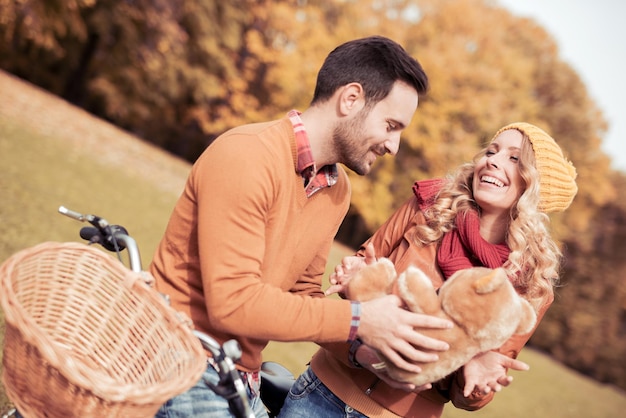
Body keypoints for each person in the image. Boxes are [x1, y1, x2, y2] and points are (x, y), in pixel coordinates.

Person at [150, 36, 454, 418]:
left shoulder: (336, 189)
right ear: (351, 99)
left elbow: (305, 295)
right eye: (391, 125)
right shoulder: (247, 154)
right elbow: (233, 303)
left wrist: (367, 352)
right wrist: (361, 319)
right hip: (178, 360)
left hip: (237, 376)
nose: (393, 146)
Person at [278, 122, 578, 418]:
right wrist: (353, 276)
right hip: (321, 394)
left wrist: (477, 375)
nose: (492, 161)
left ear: (534, 187)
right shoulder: (429, 206)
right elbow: (363, 269)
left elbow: (469, 396)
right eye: (491, 151)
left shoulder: (531, 282)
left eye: (513, 158)